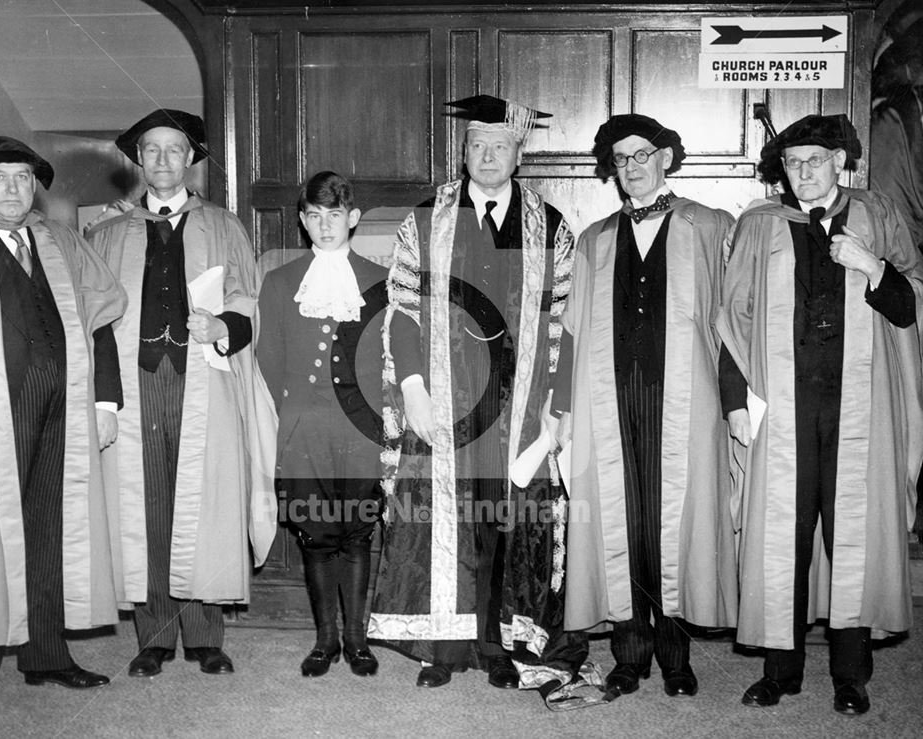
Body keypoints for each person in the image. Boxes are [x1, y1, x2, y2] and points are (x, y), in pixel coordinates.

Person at [717, 113, 923, 715]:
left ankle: (850, 676)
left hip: (860, 406)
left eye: (815, 159)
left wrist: (872, 265)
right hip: (782, 407)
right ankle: (781, 671)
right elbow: (731, 320)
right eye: (791, 162)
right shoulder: (760, 225)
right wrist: (735, 404)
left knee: (850, 534)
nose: (803, 171)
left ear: (842, 163)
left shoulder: (878, 216)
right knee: (783, 535)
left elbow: (911, 308)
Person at [368, 95, 575, 690]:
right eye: (477, 146)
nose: (488, 156)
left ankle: (498, 645)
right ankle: (444, 649)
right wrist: (411, 389)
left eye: (500, 146)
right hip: (445, 396)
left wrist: (554, 409)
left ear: (519, 153)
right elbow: (402, 311)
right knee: (443, 520)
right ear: (463, 152)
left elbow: (564, 320)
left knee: (505, 523)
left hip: (519, 402)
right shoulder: (428, 217)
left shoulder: (550, 223)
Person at [0, 136, 127, 712]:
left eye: (21, 177)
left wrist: (105, 402)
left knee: (52, 530)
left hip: (64, 406)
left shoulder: (61, 239)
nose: (12, 189)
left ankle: (47, 656)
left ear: (34, 185)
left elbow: (100, 321)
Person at [87, 109, 277, 679]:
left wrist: (224, 328)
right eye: (152, 150)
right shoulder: (106, 232)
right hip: (135, 382)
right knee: (143, 508)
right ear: (137, 160)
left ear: (192, 158)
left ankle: (204, 638)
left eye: (175, 150)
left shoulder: (223, 224)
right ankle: (153, 638)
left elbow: (248, 301)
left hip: (204, 382)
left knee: (205, 506)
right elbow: (93, 320)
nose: (164, 160)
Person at [554, 114, 738, 700]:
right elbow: (573, 333)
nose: (631, 167)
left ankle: (676, 656)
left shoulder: (710, 226)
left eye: (641, 155)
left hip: (685, 399)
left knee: (675, 524)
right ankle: (630, 654)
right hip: (609, 399)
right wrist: (561, 411)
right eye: (621, 158)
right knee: (624, 522)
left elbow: (736, 323)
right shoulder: (595, 238)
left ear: (666, 159)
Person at [258, 171, 418, 678]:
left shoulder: (382, 281)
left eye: (334, 215)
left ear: (352, 219)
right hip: (304, 429)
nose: (323, 226)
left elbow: (396, 357)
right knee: (317, 534)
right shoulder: (281, 282)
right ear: (303, 221)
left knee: (356, 533)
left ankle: (357, 639)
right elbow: (269, 363)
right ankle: (325, 640)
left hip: (362, 431)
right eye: (313, 216)